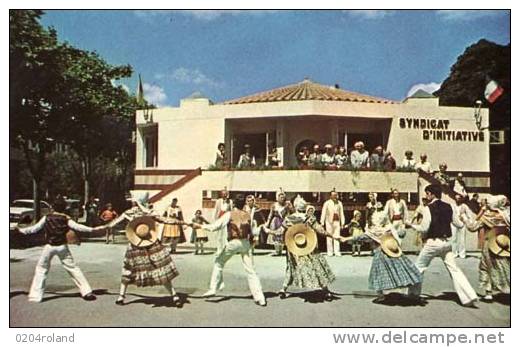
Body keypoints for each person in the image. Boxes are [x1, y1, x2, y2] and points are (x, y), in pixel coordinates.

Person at [16, 197, 105, 302]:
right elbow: (78, 227)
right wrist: (93, 229)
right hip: (62, 246)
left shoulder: (47, 217)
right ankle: (86, 292)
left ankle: (35, 296)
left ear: (53, 207)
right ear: (64, 208)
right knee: (73, 269)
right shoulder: (66, 218)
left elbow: (34, 228)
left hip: (49, 246)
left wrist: (21, 231)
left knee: (41, 270)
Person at [405, 184, 478, 307]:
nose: (426, 196)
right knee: (454, 269)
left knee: (419, 267)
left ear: (432, 194)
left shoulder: (428, 208)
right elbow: (459, 225)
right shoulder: (449, 207)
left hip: (432, 243)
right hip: (446, 243)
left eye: (427, 193)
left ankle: (413, 295)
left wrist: (410, 225)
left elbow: (424, 228)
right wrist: (465, 220)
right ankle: (469, 297)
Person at [195, 194, 266, 306]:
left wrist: (200, 226)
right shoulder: (247, 215)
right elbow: (251, 232)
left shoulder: (229, 214)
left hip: (234, 242)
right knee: (251, 271)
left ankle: (213, 288)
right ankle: (260, 297)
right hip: (245, 243)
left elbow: (215, 227)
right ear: (244, 204)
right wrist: (251, 243)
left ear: (234, 204)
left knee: (219, 262)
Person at [265, 197, 339, 301]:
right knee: (316, 266)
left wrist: (268, 231)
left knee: (291, 267)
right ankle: (326, 291)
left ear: (295, 206)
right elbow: (321, 230)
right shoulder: (309, 218)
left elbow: (279, 232)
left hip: (294, 246)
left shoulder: (289, 219)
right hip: (308, 245)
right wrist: (332, 236)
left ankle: (283, 289)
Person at [340, 211, 422, 304]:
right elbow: (401, 234)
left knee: (377, 274)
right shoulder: (389, 228)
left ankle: (380, 295)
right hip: (392, 250)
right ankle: (410, 292)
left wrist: (346, 238)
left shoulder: (375, 231)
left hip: (380, 252)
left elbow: (362, 237)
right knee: (401, 270)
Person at [114, 215, 182, 308]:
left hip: (144, 244)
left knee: (160, 270)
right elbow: (166, 220)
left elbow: (165, 220)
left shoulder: (136, 214)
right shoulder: (146, 213)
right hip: (143, 244)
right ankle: (174, 296)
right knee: (130, 270)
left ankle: (121, 296)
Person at [464, 195, 510, 302]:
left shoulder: (487, 216)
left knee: (486, 267)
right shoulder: (505, 215)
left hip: (490, 243)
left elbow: (472, 227)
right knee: (504, 266)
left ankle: (488, 292)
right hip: (504, 243)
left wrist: (465, 219)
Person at [266, 190, 291, 255]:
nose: (282, 199)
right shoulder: (274, 205)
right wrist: (268, 223)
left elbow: (288, 214)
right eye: (280, 197)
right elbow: (270, 214)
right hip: (275, 221)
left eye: (283, 197)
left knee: (282, 235)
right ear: (277, 198)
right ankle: (277, 250)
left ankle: (280, 250)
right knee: (275, 235)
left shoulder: (286, 205)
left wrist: (287, 221)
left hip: (283, 221)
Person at [320, 190, 345, 257]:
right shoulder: (327, 203)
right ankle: (330, 251)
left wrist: (343, 222)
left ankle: (337, 251)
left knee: (337, 236)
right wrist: (322, 222)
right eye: (333, 195)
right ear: (330, 196)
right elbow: (323, 213)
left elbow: (341, 213)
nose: (335, 196)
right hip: (329, 221)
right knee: (329, 236)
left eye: (336, 195)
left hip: (337, 221)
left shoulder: (339, 203)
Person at [451, 193, 472, 258]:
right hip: (454, 224)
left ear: (461, 199)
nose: (457, 200)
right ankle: (454, 253)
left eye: (459, 198)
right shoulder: (452, 206)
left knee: (462, 239)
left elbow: (469, 215)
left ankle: (462, 254)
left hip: (462, 224)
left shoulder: (464, 206)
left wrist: (468, 222)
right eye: (456, 198)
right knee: (453, 239)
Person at [214, 188, 233, 255]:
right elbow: (216, 211)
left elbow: (231, 211)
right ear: (221, 194)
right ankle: (219, 249)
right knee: (219, 236)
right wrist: (215, 220)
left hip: (226, 219)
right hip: (220, 219)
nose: (224, 195)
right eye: (223, 194)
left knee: (226, 235)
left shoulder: (230, 201)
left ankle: (226, 250)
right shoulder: (218, 201)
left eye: (226, 194)